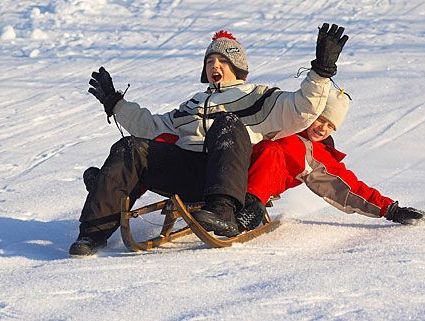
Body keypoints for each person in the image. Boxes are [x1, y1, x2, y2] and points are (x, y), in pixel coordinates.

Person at [69, 23, 349, 256]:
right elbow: (151, 126)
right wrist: (115, 103)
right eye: (209, 61)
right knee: (130, 147)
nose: (214, 65)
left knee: (226, 123)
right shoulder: (192, 104)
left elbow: (301, 109)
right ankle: (93, 231)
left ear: (237, 67)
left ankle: (223, 212)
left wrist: (321, 73)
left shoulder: (259, 97)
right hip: (187, 173)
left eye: (223, 61)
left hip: (228, 176)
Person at [235, 87, 425, 231]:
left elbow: (347, 186)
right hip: (230, 163)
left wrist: (390, 210)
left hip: (255, 185)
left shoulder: (314, 153)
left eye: (330, 126)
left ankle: (251, 206)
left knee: (271, 149)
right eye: (321, 119)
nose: (323, 128)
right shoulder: (282, 120)